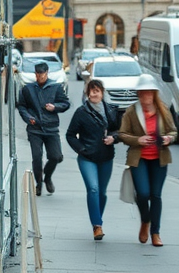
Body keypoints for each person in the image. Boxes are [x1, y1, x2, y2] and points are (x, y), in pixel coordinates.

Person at [118, 73, 177, 247]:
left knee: (156, 195)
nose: (146, 96)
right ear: (138, 94)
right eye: (143, 92)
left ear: (154, 93)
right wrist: (138, 140)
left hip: (159, 158)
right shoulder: (131, 111)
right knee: (143, 194)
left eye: (149, 92)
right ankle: (145, 220)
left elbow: (173, 131)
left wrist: (168, 138)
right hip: (139, 158)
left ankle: (155, 233)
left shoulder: (163, 110)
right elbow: (122, 134)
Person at [65, 79, 121, 240]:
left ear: (102, 92)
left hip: (106, 157)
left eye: (97, 91)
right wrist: (82, 149)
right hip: (87, 158)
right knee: (93, 189)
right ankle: (97, 225)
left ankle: (98, 221)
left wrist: (114, 138)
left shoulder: (111, 110)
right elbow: (70, 135)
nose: (94, 94)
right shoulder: (81, 112)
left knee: (102, 193)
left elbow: (119, 131)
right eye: (91, 91)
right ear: (87, 94)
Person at [16, 61, 70, 196]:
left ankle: (47, 177)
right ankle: (38, 183)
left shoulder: (55, 87)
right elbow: (21, 106)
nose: (39, 77)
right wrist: (28, 117)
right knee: (37, 156)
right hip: (35, 128)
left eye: (42, 74)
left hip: (51, 127)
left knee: (56, 156)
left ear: (47, 73)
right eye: (37, 74)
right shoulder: (28, 89)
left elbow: (65, 103)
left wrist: (55, 107)